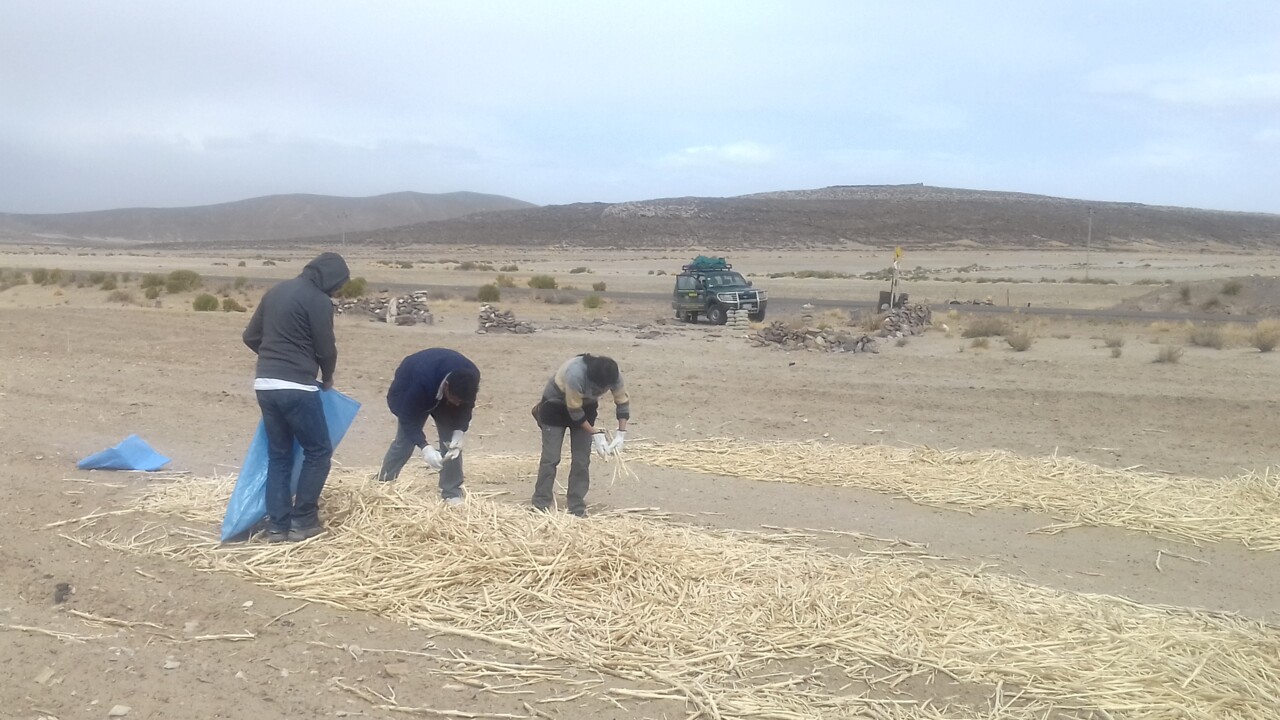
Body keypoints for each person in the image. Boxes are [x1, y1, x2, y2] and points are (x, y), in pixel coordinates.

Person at [242, 252, 350, 543]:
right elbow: (326, 348)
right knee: (318, 452)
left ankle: (276, 526)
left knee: (280, 454)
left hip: (265, 384)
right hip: (297, 387)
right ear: (329, 278)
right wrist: (326, 377)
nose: (336, 291)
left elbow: (250, 336)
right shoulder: (318, 300)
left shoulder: (275, 291)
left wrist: (272, 357)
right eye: (338, 285)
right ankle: (303, 521)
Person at [377, 348, 480, 504]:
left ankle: (452, 492)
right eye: (455, 400)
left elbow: (466, 406)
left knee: (450, 445)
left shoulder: (471, 376)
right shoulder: (421, 381)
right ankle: (383, 484)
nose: (458, 404)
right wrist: (425, 447)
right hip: (413, 386)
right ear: (446, 386)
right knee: (405, 442)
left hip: (441, 388)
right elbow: (407, 418)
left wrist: (459, 430)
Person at [531, 353, 629, 517]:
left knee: (581, 459)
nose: (602, 391)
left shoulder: (614, 375)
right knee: (551, 458)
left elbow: (622, 401)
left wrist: (621, 433)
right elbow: (574, 411)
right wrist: (596, 433)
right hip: (555, 406)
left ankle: (576, 506)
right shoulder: (576, 374)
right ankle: (540, 503)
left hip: (586, 407)